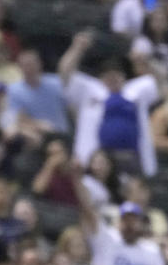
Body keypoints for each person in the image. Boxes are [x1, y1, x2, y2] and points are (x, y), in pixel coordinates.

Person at [60, 31, 159, 177]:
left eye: (116, 75)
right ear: (101, 78)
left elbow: (162, 83)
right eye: (108, 76)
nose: (113, 79)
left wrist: (146, 62)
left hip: (131, 156)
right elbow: (64, 73)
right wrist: (77, 48)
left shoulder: (135, 90)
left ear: (123, 77)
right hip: (97, 159)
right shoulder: (90, 88)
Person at [73, 171, 168, 265]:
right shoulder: (107, 241)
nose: (129, 225)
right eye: (125, 220)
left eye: (133, 221)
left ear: (141, 223)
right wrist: (75, 177)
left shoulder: (152, 250)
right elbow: (87, 209)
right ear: (119, 222)